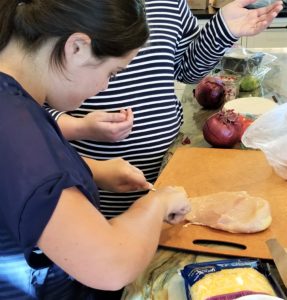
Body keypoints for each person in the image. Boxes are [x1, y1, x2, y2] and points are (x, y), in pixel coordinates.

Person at [0, 0, 191, 299]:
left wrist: (93, 170)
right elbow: (111, 266)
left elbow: (16, 180)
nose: (104, 87)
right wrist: (157, 204)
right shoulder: (13, 122)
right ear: (76, 47)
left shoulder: (15, 101)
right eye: (113, 73)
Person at [47, 0, 283, 219]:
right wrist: (81, 128)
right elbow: (24, 109)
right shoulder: (64, 8)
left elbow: (187, 71)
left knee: (158, 239)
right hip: (94, 178)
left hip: (165, 165)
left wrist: (221, 31)